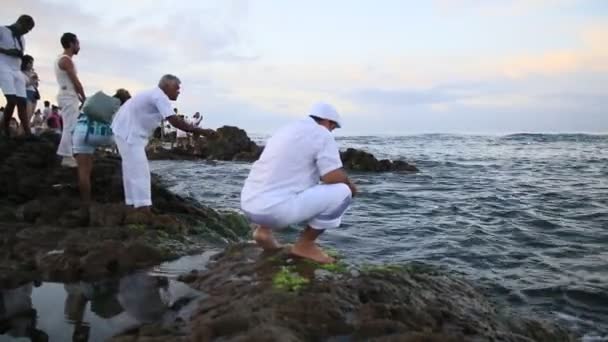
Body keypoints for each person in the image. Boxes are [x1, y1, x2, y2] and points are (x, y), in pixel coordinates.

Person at [240, 102, 357, 264]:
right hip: (274, 212)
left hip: (248, 204)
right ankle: (305, 245)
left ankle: (263, 232)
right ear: (327, 122)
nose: (332, 131)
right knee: (343, 192)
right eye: (333, 127)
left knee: (283, 180)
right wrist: (351, 186)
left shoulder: (286, 130)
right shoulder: (322, 133)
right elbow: (331, 176)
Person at [111, 74, 215, 212]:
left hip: (123, 129)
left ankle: (133, 204)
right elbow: (174, 121)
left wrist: (194, 130)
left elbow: (173, 118)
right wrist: (202, 131)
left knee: (131, 169)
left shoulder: (155, 94)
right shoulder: (159, 96)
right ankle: (143, 207)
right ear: (167, 86)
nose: (179, 91)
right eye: (176, 88)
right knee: (140, 170)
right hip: (129, 133)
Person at [73, 89, 131, 219]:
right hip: (106, 137)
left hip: (83, 132)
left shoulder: (97, 101)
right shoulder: (119, 108)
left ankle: (85, 208)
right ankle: (131, 201)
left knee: (84, 172)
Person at [0, 15, 35, 137]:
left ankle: (28, 132)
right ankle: (5, 129)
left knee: (22, 102)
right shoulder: (2, 30)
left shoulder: (22, 39)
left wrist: (19, 54)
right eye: (26, 29)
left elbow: (21, 53)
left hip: (16, 70)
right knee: (11, 100)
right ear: (19, 22)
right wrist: (6, 51)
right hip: (3, 67)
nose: (26, 32)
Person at [55, 32, 85, 168]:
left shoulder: (61, 59)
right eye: (77, 43)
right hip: (68, 96)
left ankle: (70, 154)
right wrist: (84, 97)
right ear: (71, 44)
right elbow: (76, 81)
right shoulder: (66, 60)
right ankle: (66, 157)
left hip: (68, 94)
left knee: (72, 126)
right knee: (70, 126)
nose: (79, 46)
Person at [21, 54, 39, 124]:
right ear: (25, 63)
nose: (31, 64)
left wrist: (36, 81)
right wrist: (32, 81)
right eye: (30, 62)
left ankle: (25, 133)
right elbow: (22, 85)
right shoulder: (21, 72)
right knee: (26, 116)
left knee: (30, 117)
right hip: (26, 93)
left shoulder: (32, 72)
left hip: (34, 93)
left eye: (32, 63)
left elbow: (36, 85)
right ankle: (21, 133)